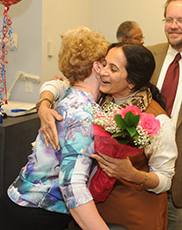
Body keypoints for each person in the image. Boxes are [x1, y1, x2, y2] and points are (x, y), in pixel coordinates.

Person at [37, 42, 177, 230]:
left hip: (132, 211)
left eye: (113, 69)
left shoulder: (158, 120)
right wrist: (44, 105)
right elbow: (57, 85)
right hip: (88, 206)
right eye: (104, 64)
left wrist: (132, 174)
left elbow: (165, 180)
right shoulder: (100, 96)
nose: (102, 72)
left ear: (132, 81)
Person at [0, 27, 112, 230]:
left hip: (20, 202)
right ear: (97, 66)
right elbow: (72, 185)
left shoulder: (70, 95)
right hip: (36, 213)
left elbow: (53, 86)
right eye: (105, 64)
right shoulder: (83, 114)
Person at [147, 0, 182, 230]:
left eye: (180, 20)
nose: (173, 26)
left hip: (179, 186)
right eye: (169, 20)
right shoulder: (150, 56)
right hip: (143, 177)